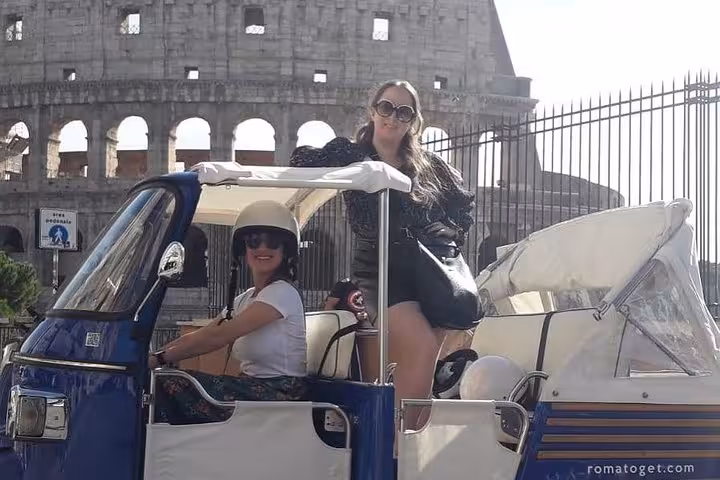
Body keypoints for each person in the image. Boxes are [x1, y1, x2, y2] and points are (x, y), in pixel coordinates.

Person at [290, 79, 475, 431]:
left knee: (423, 359)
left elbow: (463, 205)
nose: (393, 117)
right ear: (373, 110)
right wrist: (344, 167)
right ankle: (394, 447)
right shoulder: (350, 152)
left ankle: (407, 445)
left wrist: (447, 235)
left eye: (404, 111)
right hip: (379, 267)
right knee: (421, 348)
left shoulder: (429, 165)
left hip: (425, 267)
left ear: (413, 121)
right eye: (387, 107)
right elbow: (301, 160)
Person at [148, 200, 308, 425]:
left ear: (286, 250)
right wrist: (154, 357)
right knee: (162, 380)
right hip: (252, 389)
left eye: (273, 242)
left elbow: (218, 338)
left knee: (166, 385)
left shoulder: (282, 293)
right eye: (254, 241)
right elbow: (203, 334)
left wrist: (159, 359)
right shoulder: (247, 297)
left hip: (277, 392)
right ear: (244, 248)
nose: (262, 248)